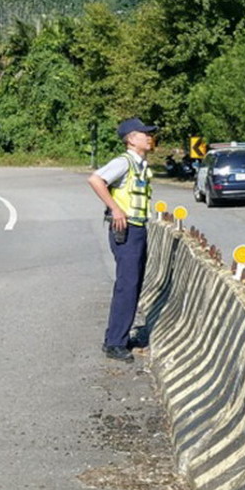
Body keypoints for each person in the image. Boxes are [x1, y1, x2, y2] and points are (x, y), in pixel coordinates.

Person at [87, 117, 158, 361]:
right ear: (130, 139)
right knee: (127, 286)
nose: (149, 137)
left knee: (134, 284)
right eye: (144, 133)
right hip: (126, 230)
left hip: (137, 229)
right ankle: (114, 342)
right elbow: (95, 180)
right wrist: (115, 208)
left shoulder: (140, 164)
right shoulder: (124, 162)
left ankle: (121, 336)